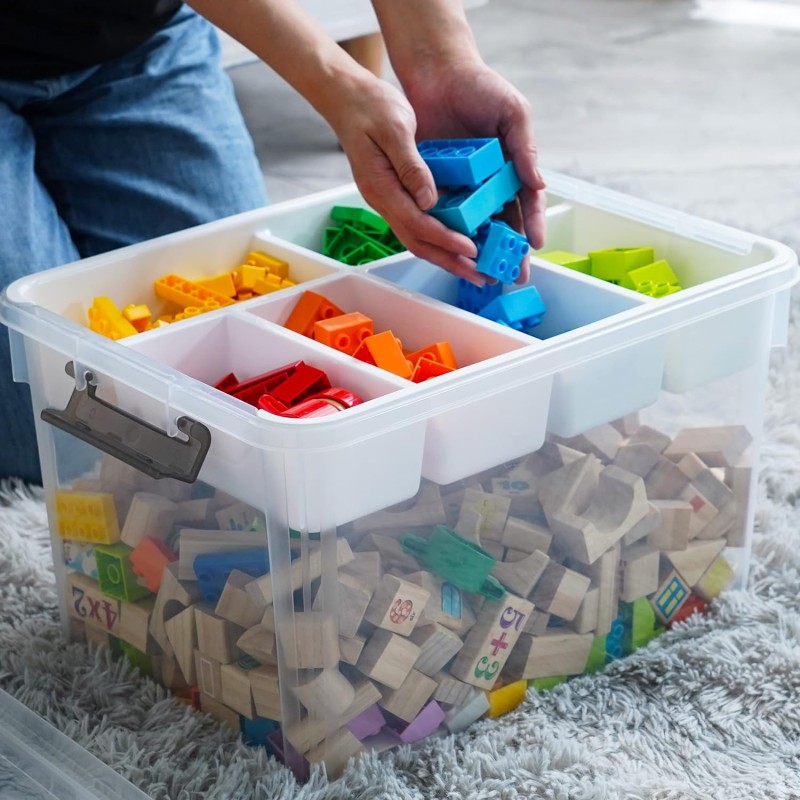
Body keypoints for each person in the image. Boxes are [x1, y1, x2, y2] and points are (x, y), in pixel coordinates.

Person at [0, 0, 546, 485]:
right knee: (53, 435)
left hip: (134, 37)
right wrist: (340, 85)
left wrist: (441, 63)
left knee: (206, 412)